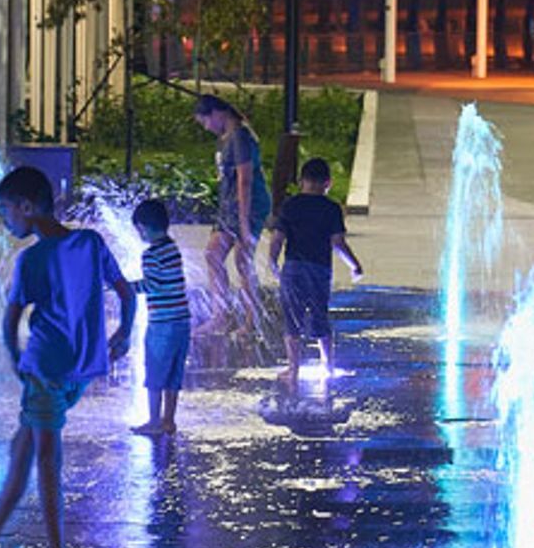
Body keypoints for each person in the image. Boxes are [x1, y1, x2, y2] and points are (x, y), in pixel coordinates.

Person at [0, 166, 133, 548]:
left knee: (46, 459)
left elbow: (11, 322)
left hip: (45, 371)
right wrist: (124, 333)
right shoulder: (90, 242)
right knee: (21, 451)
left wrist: (13, 358)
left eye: (6, 211)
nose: (5, 220)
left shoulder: (30, 259)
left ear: (26, 207)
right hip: (81, 371)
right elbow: (126, 291)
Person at [269, 157, 364, 390]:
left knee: (292, 318)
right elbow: (338, 242)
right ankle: (328, 366)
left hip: (293, 268)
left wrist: (272, 260)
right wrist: (354, 265)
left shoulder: (290, 205)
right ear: (327, 183)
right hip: (319, 270)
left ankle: (293, 369)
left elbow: (278, 237)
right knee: (320, 314)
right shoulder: (331, 208)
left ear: (301, 181)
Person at [192, 93, 270, 314]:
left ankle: (250, 320)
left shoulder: (240, 137)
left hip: (248, 205)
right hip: (229, 207)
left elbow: (245, 181)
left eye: (205, 121)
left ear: (216, 113)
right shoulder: (225, 137)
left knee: (243, 262)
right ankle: (220, 314)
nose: (206, 127)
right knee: (212, 255)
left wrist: (244, 226)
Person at [128, 197, 190, 437]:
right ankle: (169, 421)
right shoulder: (173, 248)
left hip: (162, 324)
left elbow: (151, 285)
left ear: (143, 227)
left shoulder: (151, 254)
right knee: (174, 372)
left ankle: (154, 419)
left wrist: (124, 288)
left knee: (154, 370)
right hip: (182, 321)